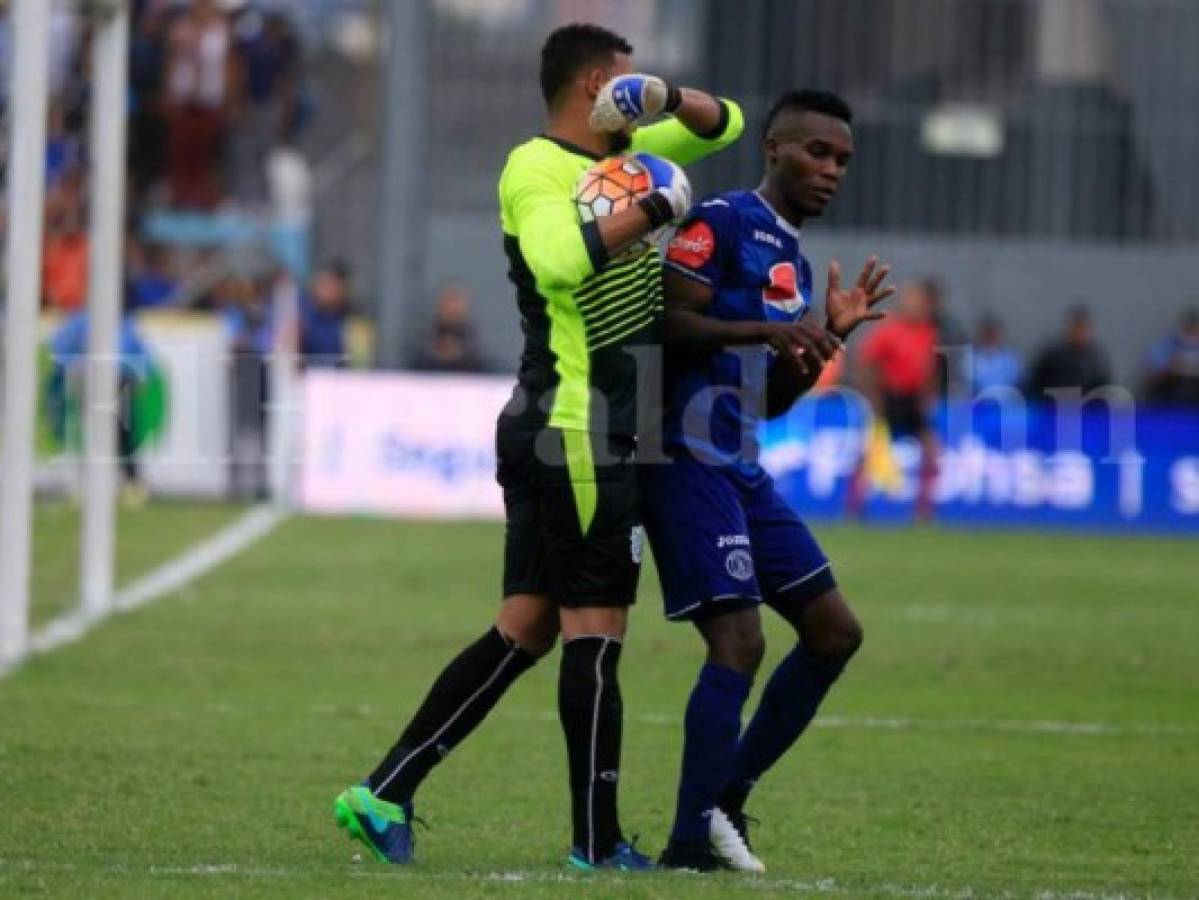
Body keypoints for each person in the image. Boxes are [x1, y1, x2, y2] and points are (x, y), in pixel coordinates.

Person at [332, 22, 743, 871]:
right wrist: (657, 208)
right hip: (578, 432)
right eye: (625, 84)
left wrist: (667, 99)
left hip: (563, 428)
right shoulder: (538, 168)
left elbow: (728, 125)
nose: (636, 99)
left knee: (524, 628)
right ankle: (595, 845)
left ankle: (384, 792)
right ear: (592, 84)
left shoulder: (624, 149)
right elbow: (557, 261)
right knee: (597, 631)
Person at [640, 90, 892, 871]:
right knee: (739, 642)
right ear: (775, 148)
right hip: (682, 456)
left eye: (842, 161)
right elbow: (668, 323)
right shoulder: (716, 219)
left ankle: (726, 801)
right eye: (817, 153)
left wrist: (814, 350)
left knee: (833, 633)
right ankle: (688, 845)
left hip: (739, 461)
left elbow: (766, 399)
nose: (830, 171)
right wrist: (767, 327)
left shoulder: (795, 262)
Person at [849, 279, 941, 520]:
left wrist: (927, 395)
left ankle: (924, 510)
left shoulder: (928, 331)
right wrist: (873, 396)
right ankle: (854, 506)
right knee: (870, 452)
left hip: (912, 400)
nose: (914, 305)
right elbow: (866, 360)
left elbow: (928, 369)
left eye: (919, 300)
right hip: (888, 397)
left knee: (932, 452)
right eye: (911, 299)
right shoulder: (889, 330)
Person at [1024, 305, 1112, 401]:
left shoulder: (1096, 359)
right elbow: (1035, 385)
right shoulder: (1052, 355)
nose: (1080, 333)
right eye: (1077, 328)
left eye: (1083, 329)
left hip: (1086, 411)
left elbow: (1104, 388)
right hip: (1053, 410)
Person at [410, 281, 488, 373]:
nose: (452, 307)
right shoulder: (425, 339)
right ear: (439, 304)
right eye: (448, 300)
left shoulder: (474, 340)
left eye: (456, 300)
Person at [1141, 309, 1199, 407]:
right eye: (1188, 329)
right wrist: (1174, 365)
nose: (1192, 333)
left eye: (1195, 329)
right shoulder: (1168, 343)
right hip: (1172, 384)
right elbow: (1151, 364)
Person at [299, 261, 352, 369]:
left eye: (330, 285)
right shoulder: (301, 315)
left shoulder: (351, 319)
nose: (324, 290)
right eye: (321, 283)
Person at [970, 314, 1023, 395]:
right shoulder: (970, 359)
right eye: (987, 333)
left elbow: (1015, 384)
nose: (990, 337)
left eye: (993, 333)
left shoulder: (1010, 359)